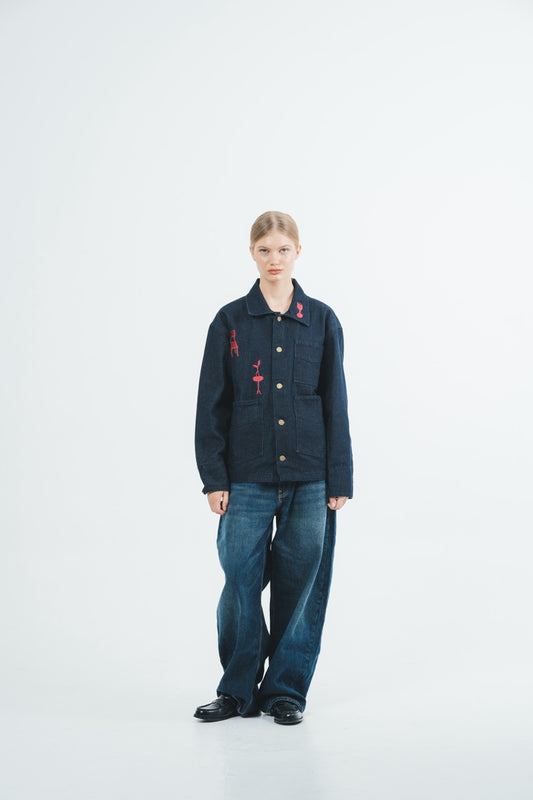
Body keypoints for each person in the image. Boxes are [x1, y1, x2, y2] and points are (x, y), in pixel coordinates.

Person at [193, 210, 353, 725]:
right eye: (265, 250)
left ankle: (285, 690)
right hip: (245, 476)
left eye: (283, 250)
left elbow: (336, 402)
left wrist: (340, 478)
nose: (274, 259)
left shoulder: (322, 320)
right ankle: (237, 689)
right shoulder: (229, 322)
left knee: (300, 584)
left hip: (311, 477)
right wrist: (214, 478)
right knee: (239, 581)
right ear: (252, 254)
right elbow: (211, 404)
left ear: (298, 252)